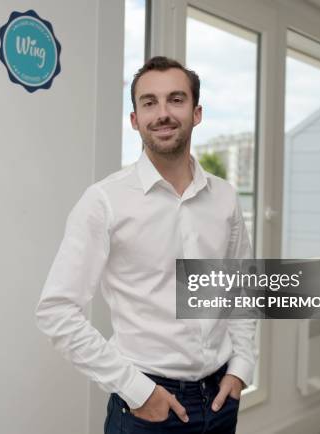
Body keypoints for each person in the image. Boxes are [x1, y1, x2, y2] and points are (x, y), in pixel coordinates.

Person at [35, 56, 256, 433]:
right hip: (148, 407)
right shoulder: (104, 201)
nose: (163, 113)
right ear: (135, 119)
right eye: (149, 102)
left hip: (220, 399)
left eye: (176, 99)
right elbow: (56, 310)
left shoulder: (225, 198)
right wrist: (137, 390)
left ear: (197, 112)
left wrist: (241, 367)